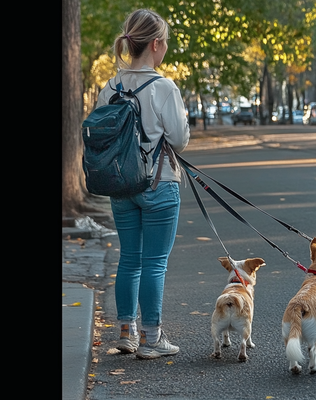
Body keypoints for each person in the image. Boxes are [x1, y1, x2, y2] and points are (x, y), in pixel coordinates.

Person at [95, 8, 190, 359]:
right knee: (154, 263)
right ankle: (152, 339)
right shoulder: (164, 87)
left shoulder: (110, 86)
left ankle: (126, 332)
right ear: (155, 44)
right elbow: (179, 140)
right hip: (158, 184)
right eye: (164, 43)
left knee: (129, 260)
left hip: (121, 186)